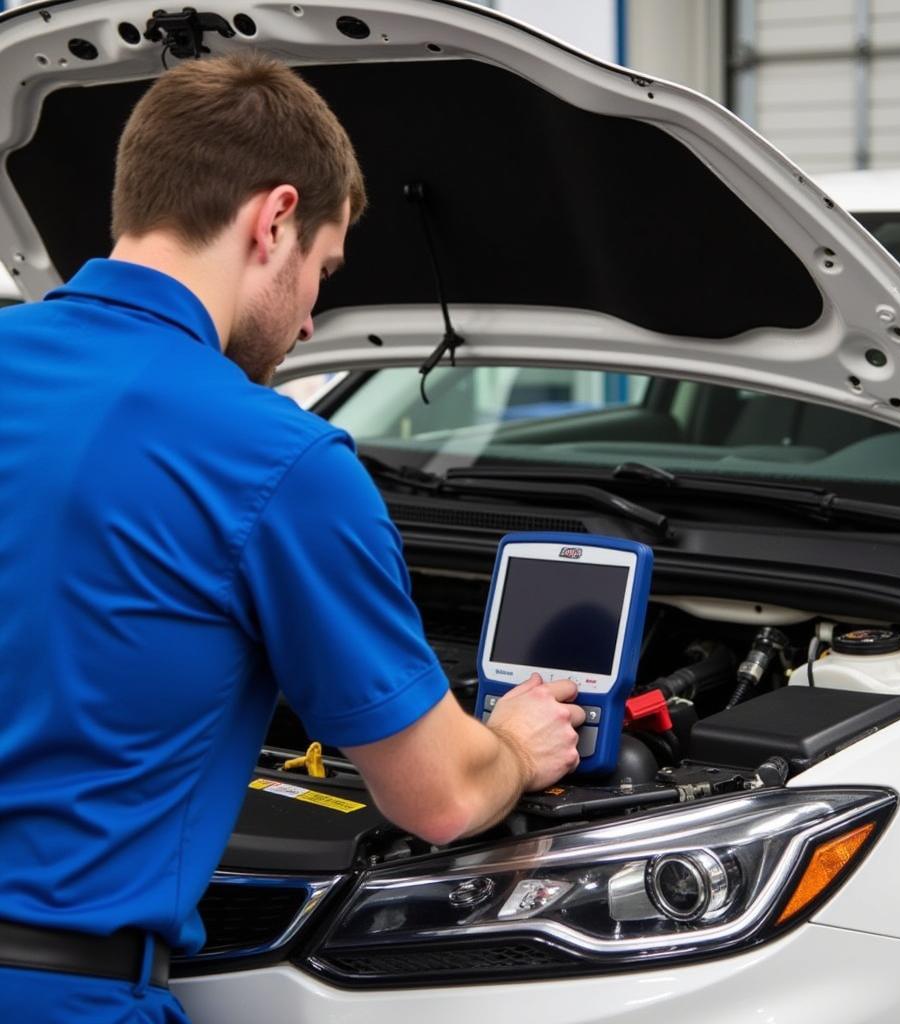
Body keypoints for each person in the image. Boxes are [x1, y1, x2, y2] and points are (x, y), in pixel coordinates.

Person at [0, 53, 584, 1022]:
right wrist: (516, 747)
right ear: (274, 219)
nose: (313, 320)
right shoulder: (275, 456)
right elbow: (437, 798)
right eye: (323, 269)